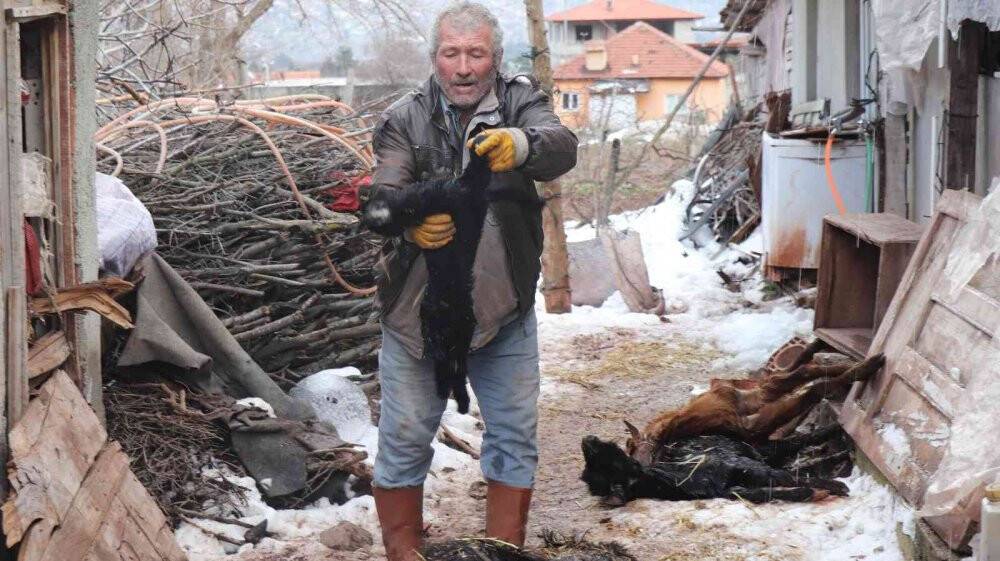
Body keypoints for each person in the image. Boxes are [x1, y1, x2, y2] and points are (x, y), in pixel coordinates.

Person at [366, 2, 578, 559]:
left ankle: (501, 553)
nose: (463, 67)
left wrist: (522, 145)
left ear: (494, 59)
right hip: (416, 318)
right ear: (435, 59)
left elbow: (561, 145)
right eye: (451, 53)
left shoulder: (519, 101)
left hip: (503, 310)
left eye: (475, 54)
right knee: (406, 437)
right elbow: (379, 203)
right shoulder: (403, 118)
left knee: (513, 438)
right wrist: (410, 227)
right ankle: (404, 553)